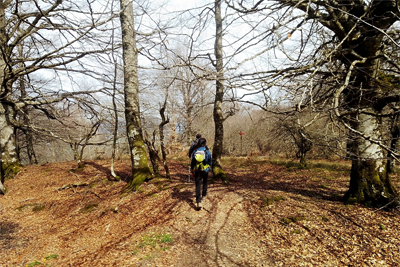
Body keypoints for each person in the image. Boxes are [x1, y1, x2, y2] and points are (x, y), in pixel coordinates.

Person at [190, 137, 212, 209]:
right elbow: (209, 161)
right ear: (205, 143)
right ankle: (204, 194)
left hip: (197, 170)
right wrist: (210, 167)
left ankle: (198, 201)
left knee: (198, 185)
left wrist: (192, 169)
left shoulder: (195, 151)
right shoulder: (207, 151)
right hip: (205, 170)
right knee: (205, 182)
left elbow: (193, 162)